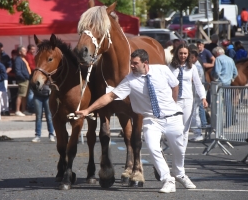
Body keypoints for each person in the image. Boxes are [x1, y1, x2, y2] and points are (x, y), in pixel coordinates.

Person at [75, 49, 196, 193]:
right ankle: (167, 180)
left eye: (135, 63)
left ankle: (180, 173)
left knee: (179, 149)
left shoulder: (162, 70)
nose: (131, 66)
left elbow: (175, 85)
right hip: (151, 119)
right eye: (131, 63)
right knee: (152, 148)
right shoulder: (129, 80)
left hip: (173, 117)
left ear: (145, 63)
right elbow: (110, 96)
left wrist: (174, 104)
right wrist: (88, 110)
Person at [169, 44, 207, 148]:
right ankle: (176, 149)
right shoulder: (170, 67)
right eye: (180, 53)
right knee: (176, 128)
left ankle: (182, 153)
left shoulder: (192, 68)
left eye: (185, 53)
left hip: (187, 100)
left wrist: (203, 97)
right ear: (177, 54)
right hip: (174, 101)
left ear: (188, 54)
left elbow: (198, 84)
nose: (183, 56)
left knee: (185, 129)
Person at [211, 47, 238, 127]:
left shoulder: (218, 59)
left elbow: (216, 71)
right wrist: (231, 79)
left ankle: (217, 123)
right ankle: (229, 122)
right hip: (228, 83)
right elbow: (235, 72)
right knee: (228, 103)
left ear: (217, 53)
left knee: (217, 102)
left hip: (220, 83)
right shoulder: (230, 59)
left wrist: (216, 78)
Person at [189, 50, 207, 141]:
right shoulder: (194, 66)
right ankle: (196, 133)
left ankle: (198, 133)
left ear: (196, 57)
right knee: (194, 113)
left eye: (192, 57)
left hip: (196, 93)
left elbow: (197, 81)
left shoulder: (197, 67)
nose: (190, 59)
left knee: (194, 114)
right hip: (194, 92)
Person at [0, 42, 12, 116]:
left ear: (1, 48)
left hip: (3, 78)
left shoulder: (6, 56)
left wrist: (4, 73)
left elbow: (10, 67)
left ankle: (6, 109)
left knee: (4, 93)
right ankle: (0, 109)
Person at [14, 46, 30, 117]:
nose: (25, 52)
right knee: (20, 95)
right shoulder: (18, 60)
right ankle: (17, 110)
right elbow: (18, 71)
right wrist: (23, 78)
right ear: (20, 52)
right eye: (24, 50)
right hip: (22, 80)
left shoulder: (23, 59)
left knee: (24, 96)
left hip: (26, 79)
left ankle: (23, 110)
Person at [24, 44, 36, 115]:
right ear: (29, 49)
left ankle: (31, 107)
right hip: (32, 74)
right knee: (31, 92)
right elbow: (31, 66)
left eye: (34, 49)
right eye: (32, 49)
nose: (33, 50)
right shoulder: (28, 56)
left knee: (31, 92)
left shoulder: (31, 55)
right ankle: (31, 107)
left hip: (33, 73)